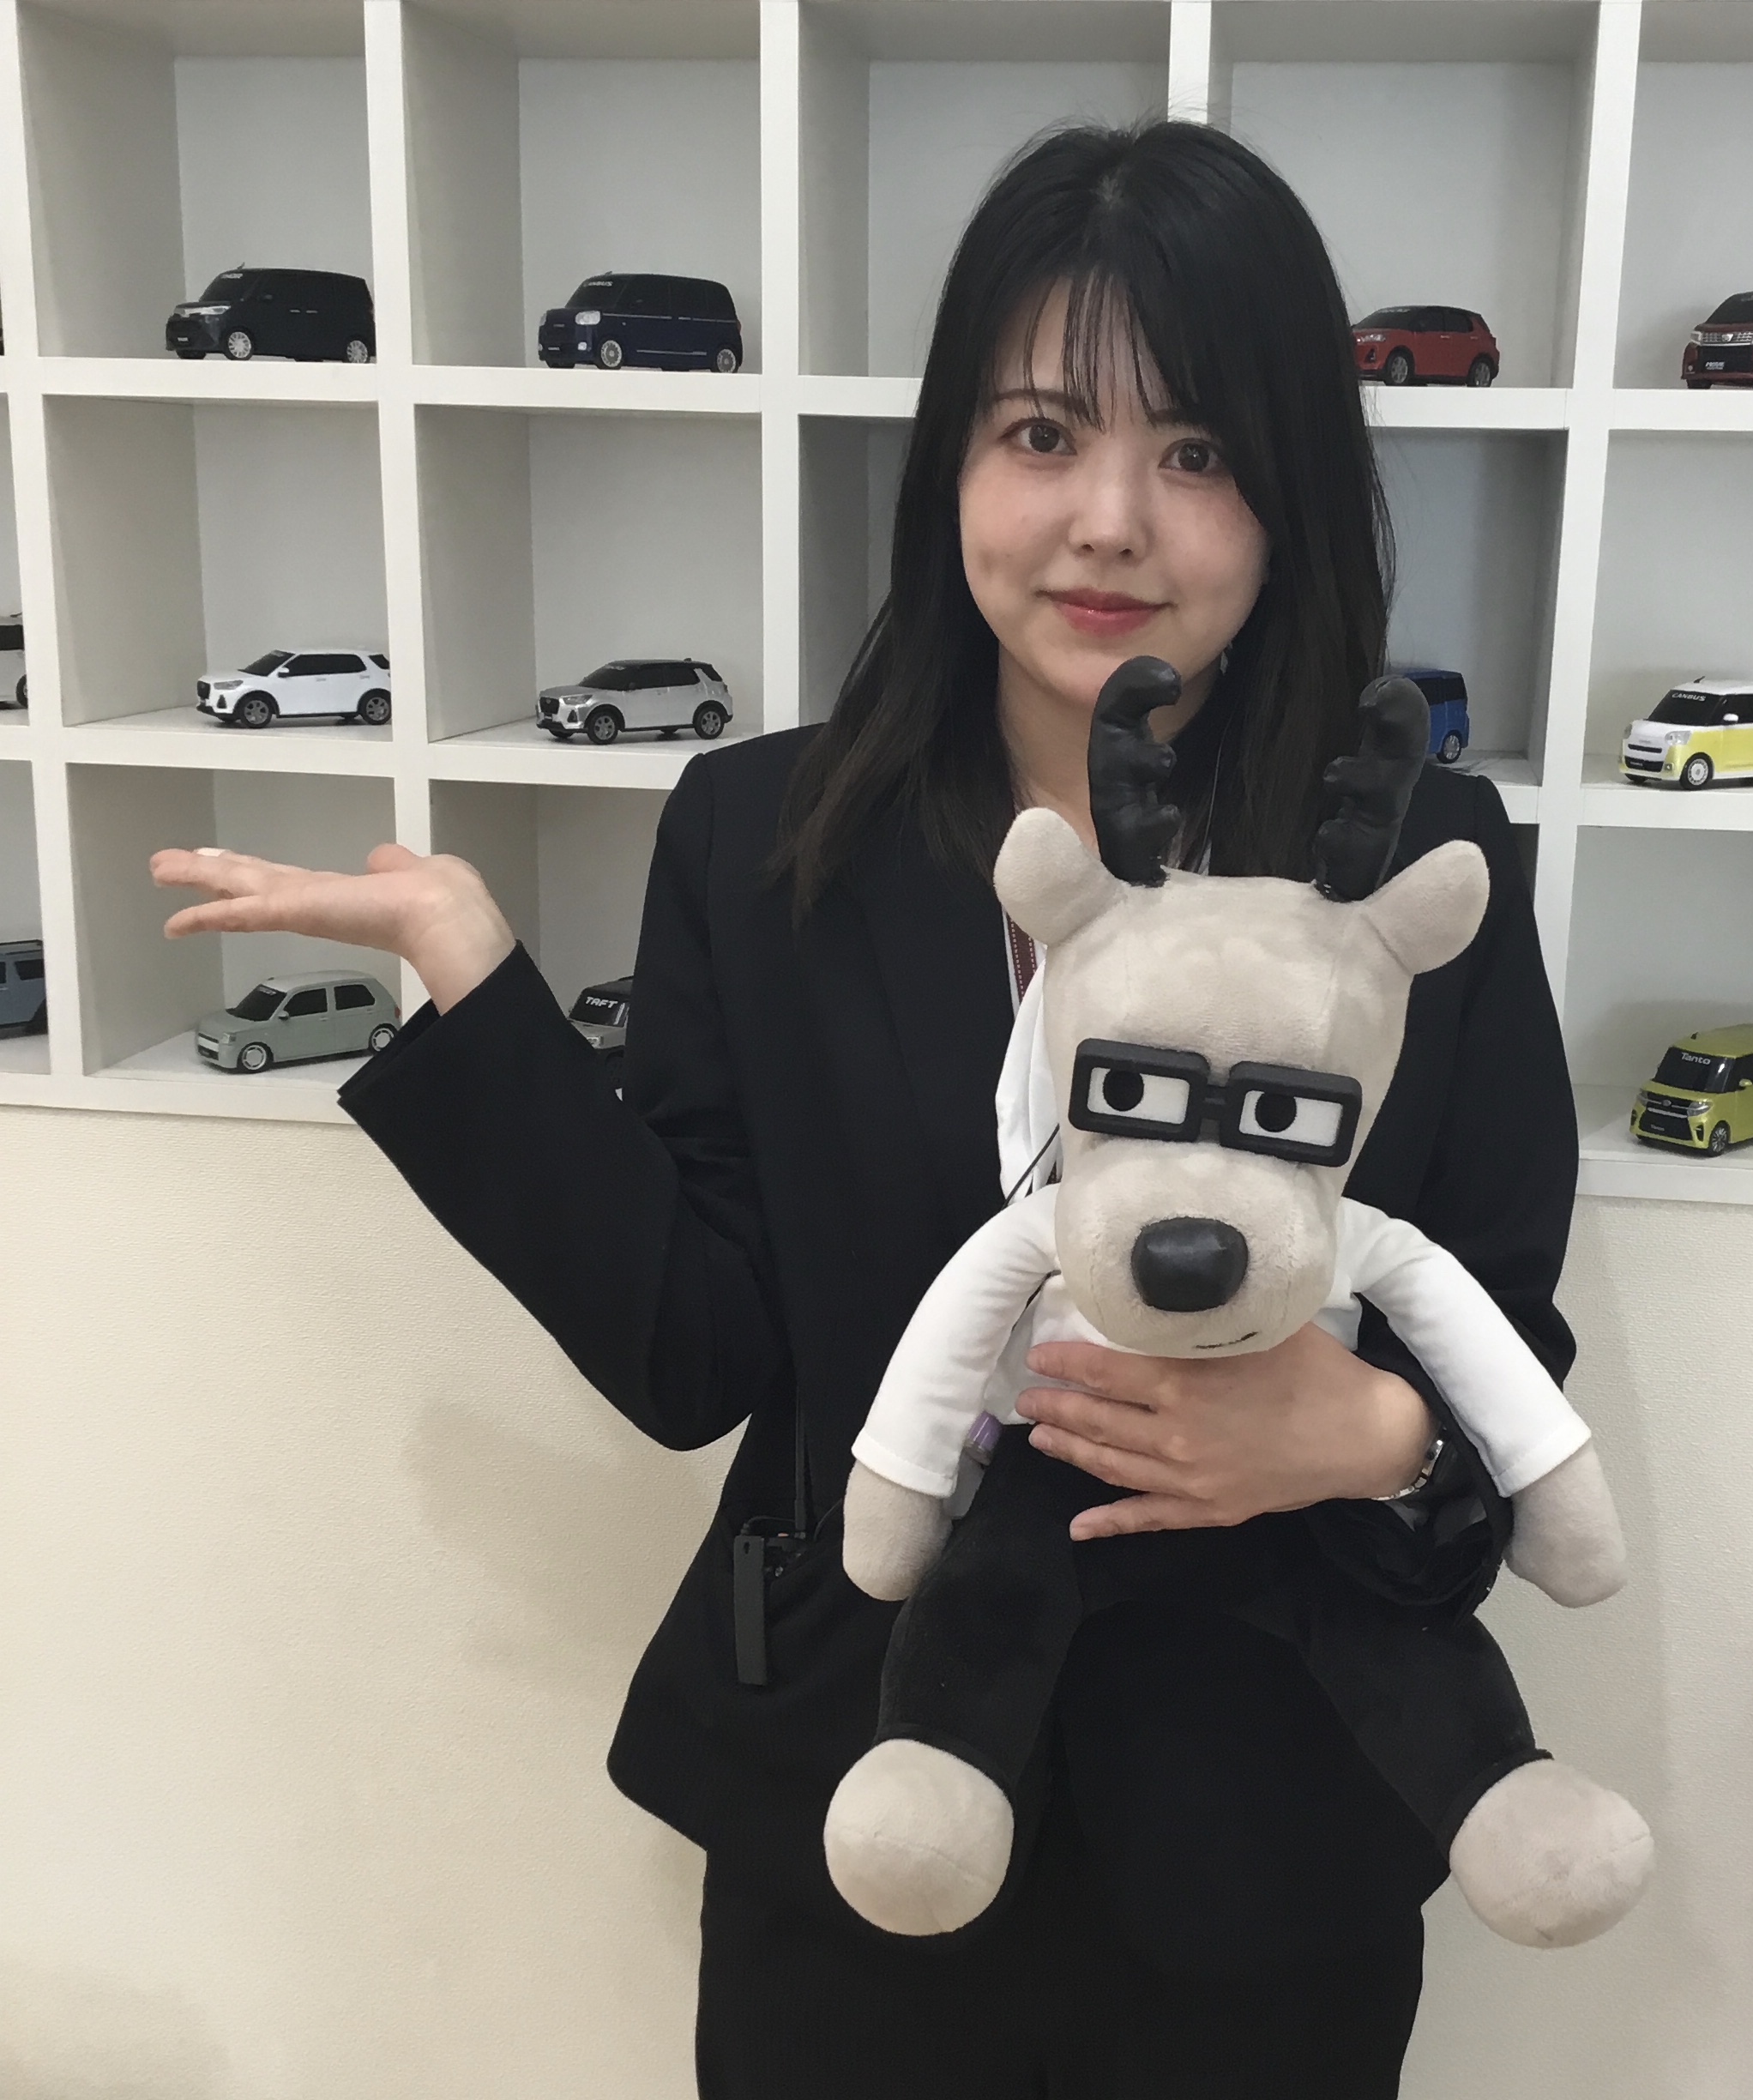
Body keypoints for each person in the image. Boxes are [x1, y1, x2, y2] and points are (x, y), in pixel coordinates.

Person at [151, 121, 1580, 2099]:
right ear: (950, 468)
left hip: (1278, 1831)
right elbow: (697, 1351)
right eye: (1041, 434)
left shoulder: (1420, 867)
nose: (1108, 523)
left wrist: (1377, 1433)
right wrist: (480, 992)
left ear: (1293, 499)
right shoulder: (764, 837)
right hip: (858, 1808)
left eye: (1197, 454)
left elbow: (1502, 1320)